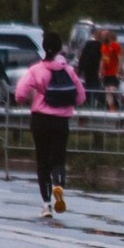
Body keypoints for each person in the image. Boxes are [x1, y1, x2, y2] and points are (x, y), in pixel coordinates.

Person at [14, 30, 84, 215]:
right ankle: (58, 186)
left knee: (42, 161)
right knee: (58, 159)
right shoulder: (68, 70)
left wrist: (29, 98)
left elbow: (20, 94)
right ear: (60, 48)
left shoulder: (36, 70)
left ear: (44, 48)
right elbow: (81, 96)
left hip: (40, 120)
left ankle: (46, 205)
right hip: (62, 121)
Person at [97, 28, 124, 109]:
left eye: (104, 35)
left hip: (114, 72)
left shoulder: (116, 45)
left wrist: (119, 71)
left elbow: (120, 59)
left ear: (108, 36)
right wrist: (100, 71)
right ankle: (112, 109)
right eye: (101, 36)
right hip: (107, 73)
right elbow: (103, 59)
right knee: (107, 91)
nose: (102, 37)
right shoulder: (103, 46)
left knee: (112, 90)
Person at [76, 27, 105, 106]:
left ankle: (88, 101)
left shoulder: (89, 44)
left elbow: (83, 57)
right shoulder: (102, 46)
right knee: (96, 86)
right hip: (97, 69)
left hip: (88, 69)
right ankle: (94, 102)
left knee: (89, 85)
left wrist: (80, 69)